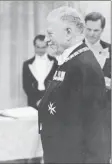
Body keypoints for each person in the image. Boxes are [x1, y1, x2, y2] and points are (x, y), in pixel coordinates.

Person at [38, 6, 108, 163]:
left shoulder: (84, 66)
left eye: (50, 34)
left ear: (68, 33)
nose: (46, 40)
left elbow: (96, 131)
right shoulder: (70, 61)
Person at [83, 12, 111, 162]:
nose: (91, 34)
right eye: (88, 29)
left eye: (96, 30)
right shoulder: (72, 50)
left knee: (102, 156)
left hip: (104, 114)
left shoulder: (110, 49)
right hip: (79, 114)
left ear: (102, 30)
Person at [23, 34, 58, 110]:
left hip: (52, 102)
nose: (40, 50)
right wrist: (37, 100)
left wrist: (47, 100)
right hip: (33, 102)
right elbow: (26, 86)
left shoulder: (55, 62)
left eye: (43, 47)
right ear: (34, 46)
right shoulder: (27, 64)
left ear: (47, 47)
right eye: (38, 47)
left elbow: (57, 84)